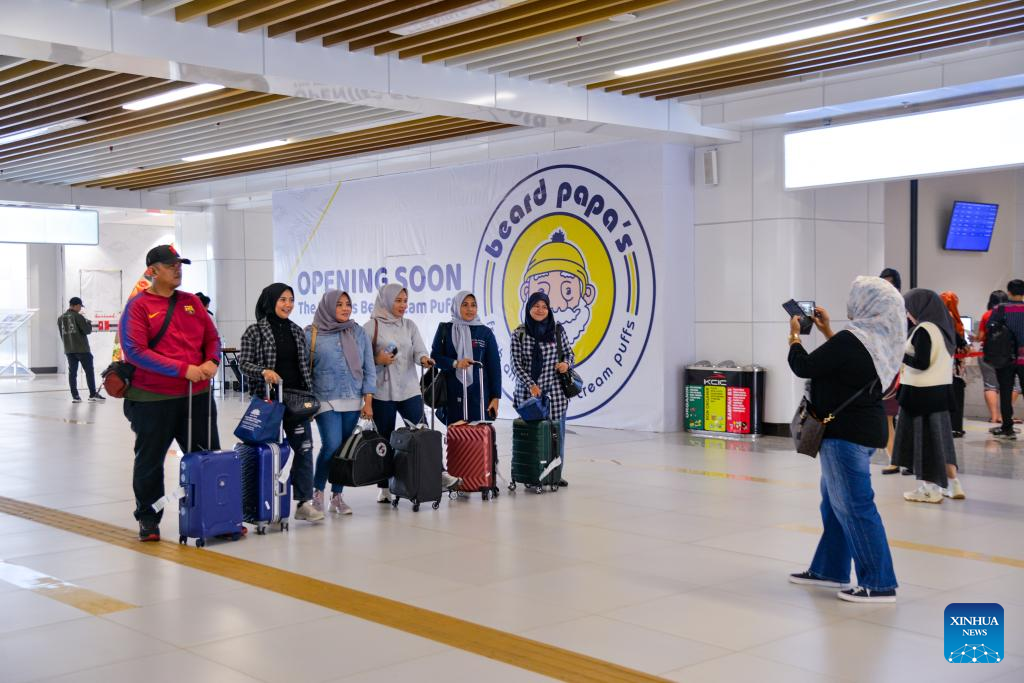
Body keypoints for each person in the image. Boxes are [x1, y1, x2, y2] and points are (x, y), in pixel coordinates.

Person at [787, 276, 902, 603]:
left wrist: (795, 335)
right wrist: (826, 332)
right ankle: (830, 569)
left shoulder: (854, 339)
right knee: (835, 503)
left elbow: (804, 365)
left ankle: (879, 583)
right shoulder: (878, 340)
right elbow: (848, 364)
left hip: (844, 434)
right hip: (864, 430)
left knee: (854, 506)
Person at [119, 245, 220, 542]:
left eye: (180, 264)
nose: (178, 269)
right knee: (150, 462)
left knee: (206, 457)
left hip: (196, 396)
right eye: (170, 265)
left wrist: (212, 361)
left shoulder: (191, 302)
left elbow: (212, 337)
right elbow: (135, 352)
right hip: (153, 398)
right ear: (152, 271)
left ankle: (214, 514)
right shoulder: (138, 307)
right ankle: (149, 519)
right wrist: (182, 369)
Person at [367, 284, 461, 502]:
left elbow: (419, 349)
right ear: (386, 301)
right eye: (397, 300)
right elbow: (362, 361)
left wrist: (424, 359)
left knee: (422, 431)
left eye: (404, 301)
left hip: (409, 389)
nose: (402, 305)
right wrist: (377, 360)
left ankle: (440, 473)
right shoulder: (371, 327)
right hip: (382, 391)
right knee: (385, 438)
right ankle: (384, 486)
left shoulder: (409, 325)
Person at [239, 283, 323, 523]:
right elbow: (244, 364)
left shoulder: (297, 331)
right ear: (270, 301)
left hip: (296, 402)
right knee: (267, 452)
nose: (288, 304)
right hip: (268, 402)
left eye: (291, 299)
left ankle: (304, 502)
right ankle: (261, 503)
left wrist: (311, 398)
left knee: (304, 448)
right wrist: (263, 370)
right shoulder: (254, 332)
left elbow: (304, 369)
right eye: (282, 299)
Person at [308, 290, 375, 515]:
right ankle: (317, 493)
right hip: (325, 397)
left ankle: (337, 496)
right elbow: (305, 370)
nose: (346, 308)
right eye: (339, 304)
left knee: (345, 450)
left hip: (353, 398)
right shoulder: (312, 333)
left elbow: (369, 368)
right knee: (331, 445)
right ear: (328, 306)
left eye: (348, 304)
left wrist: (368, 401)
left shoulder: (358, 332)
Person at [894, 289, 964, 502]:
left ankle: (929, 489)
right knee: (941, 441)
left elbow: (921, 363)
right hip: (939, 392)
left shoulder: (924, 329)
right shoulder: (944, 329)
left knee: (923, 442)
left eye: (908, 309)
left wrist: (899, 354)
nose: (907, 314)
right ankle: (953, 484)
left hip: (919, 395)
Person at [508, 292, 574, 487]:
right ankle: (531, 472)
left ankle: (554, 474)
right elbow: (516, 365)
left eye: (544, 306)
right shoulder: (520, 333)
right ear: (528, 308)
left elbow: (569, 354)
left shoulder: (557, 331)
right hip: (530, 396)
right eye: (536, 306)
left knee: (556, 436)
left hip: (555, 395)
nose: (540, 310)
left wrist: (566, 365)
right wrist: (531, 385)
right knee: (533, 435)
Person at [431, 290, 502, 423]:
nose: (470, 309)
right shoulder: (445, 329)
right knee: (456, 437)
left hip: (479, 394)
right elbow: (435, 357)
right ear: (457, 306)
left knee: (479, 438)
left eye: (473, 305)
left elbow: (494, 367)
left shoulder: (485, 332)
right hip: (452, 392)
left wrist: (495, 397)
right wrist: (455, 363)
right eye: (465, 305)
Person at [989, 280, 1024, 440]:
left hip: (1005, 358)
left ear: (1009, 292)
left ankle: (1007, 428)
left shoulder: (1000, 309)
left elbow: (991, 329)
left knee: (1005, 391)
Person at [879, 270, 904, 475]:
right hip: (891, 368)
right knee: (887, 416)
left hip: (895, 368)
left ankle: (896, 459)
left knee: (888, 415)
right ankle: (895, 458)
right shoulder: (897, 307)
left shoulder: (895, 308)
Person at [978, 290, 1016, 425]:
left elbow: (982, 337)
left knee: (990, 385)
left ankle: (994, 417)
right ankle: (1005, 415)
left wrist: (974, 338)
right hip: (1008, 355)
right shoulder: (1011, 314)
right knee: (1012, 386)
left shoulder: (987, 315)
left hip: (988, 354)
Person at [58, 296, 104, 403]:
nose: (80, 309)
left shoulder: (60, 318)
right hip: (82, 349)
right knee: (89, 371)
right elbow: (87, 331)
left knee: (72, 373)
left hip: (69, 349)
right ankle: (92, 394)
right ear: (77, 305)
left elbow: (62, 335)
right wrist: (88, 322)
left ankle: (75, 396)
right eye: (80, 306)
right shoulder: (78, 317)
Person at [940, 291, 968, 438]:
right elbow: (959, 340)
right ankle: (956, 427)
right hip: (956, 365)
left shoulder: (942, 317)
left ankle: (951, 427)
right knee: (957, 395)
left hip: (948, 364)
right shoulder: (953, 318)